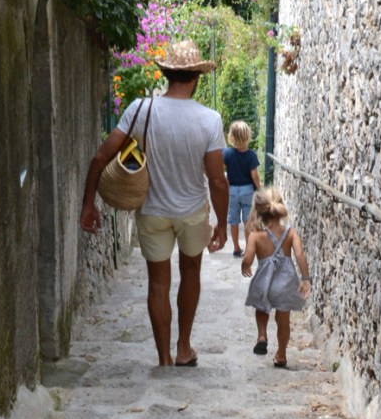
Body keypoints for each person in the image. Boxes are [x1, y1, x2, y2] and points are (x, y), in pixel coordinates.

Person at [80, 39, 228, 367]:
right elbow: (217, 180)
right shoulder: (210, 120)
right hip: (192, 212)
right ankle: (184, 348)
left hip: (151, 211)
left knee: (158, 281)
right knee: (191, 274)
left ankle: (164, 359)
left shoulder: (140, 109)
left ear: (167, 74)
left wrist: (88, 203)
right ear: (197, 77)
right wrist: (222, 222)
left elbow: (101, 156)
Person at [240, 188, 311, 369]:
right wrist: (305, 278)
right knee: (283, 319)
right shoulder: (290, 232)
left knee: (262, 309)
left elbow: (248, 258)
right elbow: (300, 254)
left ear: (259, 211)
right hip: (285, 283)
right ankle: (281, 354)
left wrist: (245, 266)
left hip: (265, 282)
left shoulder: (256, 235)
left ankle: (262, 335)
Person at [223, 121, 260, 258]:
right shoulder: (251, 155)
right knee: (247, 221)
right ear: (247, 136)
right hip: (247, 190)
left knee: (233, 221)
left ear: (231, 136)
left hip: (232, 190)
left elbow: (221, 171)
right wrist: (259, 188)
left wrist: (226, 183)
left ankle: (236, 248)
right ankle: (249, 249)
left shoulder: (227, 153)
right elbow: (254, 176)